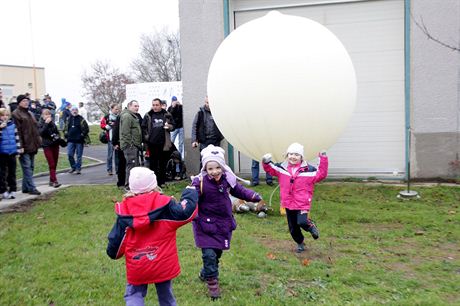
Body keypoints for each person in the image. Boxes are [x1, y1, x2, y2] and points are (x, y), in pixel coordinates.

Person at [106, 167, 198, 306]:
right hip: (162, 263)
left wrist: (112, 252)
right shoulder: (166, 206)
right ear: (154, 185)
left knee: (134, 294)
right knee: (166, 295)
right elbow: (185, 213)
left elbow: (116, 240)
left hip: (138, 265)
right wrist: (190, 192)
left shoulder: (125, 212)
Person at [190, 145, 264, 300]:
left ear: (222, 167)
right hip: (204, 224)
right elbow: (191, 197)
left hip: (222, 223)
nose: (214, 171)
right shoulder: (200, 182)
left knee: (216, 254)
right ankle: (213, 285)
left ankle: (206, 273)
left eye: (218, 167)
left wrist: (253, 196)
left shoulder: (226, 180)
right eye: (210, 168)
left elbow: (239, 190)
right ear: (205, 169)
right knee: (209, 254)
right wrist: (185, 203)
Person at [262, 142, 328, 253]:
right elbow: (270, 169)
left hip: (302, 202)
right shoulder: (282, 168)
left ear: (301, 157)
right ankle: (300, 242)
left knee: (302, 222)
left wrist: (323, 158)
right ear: (287, 155)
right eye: (291, 154)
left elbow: (321, 174)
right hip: (288, 203)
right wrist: (265, 161)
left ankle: (311, 226)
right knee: (293, 227)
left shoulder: (309, 170)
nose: (293, 157)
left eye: (296, 155)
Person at [12, 94, 42, 195]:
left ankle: (25, 187)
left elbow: (35, 129)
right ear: (19, 102)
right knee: (27, 167)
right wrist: (20, 146)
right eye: (24, 100)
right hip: (23, 146)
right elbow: (18, 132)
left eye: (27, 100)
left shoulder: (30, 113)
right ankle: (32, 188)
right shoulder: (16, 114)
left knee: (31, 167)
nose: (26, 102)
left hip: (32, 144)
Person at [142, 98, 175, 187]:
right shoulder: (148, 115)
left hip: (164, 144)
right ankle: (154, 183)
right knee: (153, 165)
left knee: (163, 164)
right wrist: (146, 138)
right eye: (153, 105)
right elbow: (143, 127)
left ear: (161, 105)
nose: (155, 107)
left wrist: (169, 126)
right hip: (152, 143)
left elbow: (173, 125)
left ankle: (162, 182)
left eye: (157, 105)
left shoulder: (166, 114)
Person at [0, 108, 23, 199]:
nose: (5, 117)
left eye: (6, 115)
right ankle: (3, 190)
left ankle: (12, 190)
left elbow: (16, 138)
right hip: (2, 153)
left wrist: (18, 150)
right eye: (2, 115)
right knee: (2, 173)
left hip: (12, 152)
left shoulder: (12, 125)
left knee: (12, 172)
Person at [120, 100, 142, 188]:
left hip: (134, 145)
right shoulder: (127, 116)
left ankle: (134, 185)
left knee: (135, 166)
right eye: (135, 106)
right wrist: (130, 144)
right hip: (130, 146)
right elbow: (125, 132)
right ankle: (128, 185)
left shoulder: (132, 116)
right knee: (131, 166)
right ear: (129, 106)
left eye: (138, 106)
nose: (137, 108)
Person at [38, 109, 62, 188]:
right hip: (47, 146)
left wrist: (59, 138)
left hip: (55, 145)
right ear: (42, 116)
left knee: (54, 164)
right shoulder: (41, 124)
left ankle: (51, 180)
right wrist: (46, 124)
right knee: (51, 163)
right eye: (45, 114)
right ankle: (55, 181)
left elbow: (57, 132)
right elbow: (41, 133)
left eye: (49, 114)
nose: (48, 116)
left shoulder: (53, 124)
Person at [64, 106, 90, 175]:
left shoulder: (81, 119)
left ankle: (78, 169)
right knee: (69, 154)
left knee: (79, 156)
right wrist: (66, 134)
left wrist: (81, 135)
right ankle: (73, 167)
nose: (74, 111)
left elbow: (87, 129)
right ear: (71, 111)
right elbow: (65, 128)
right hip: (70, 140)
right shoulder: (69, 119)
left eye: (75, 110)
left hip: (79, 141)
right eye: (73, 110)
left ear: (77, 111)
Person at [100, 103, 120, 176]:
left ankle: (118, 170)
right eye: (116, 109)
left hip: (117, 140)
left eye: (118, 109)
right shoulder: (107, 117)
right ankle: (109, 170)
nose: (117, 111)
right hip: (110, 139)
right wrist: (107, 126)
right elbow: (102, 125)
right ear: (111, 109)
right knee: (110, 155)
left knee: (117, 156)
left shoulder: (119, 117)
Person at [111, 110, 126, 189]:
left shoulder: (137, 116)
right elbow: (116, 129)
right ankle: (121, 183)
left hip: (132, 144)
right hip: (121, 143)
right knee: (121, 164)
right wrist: (115, 142)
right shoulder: (120, 117)